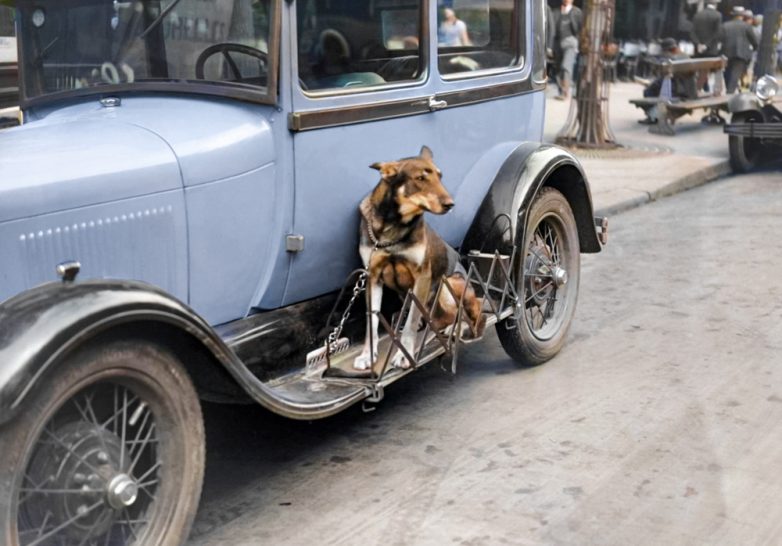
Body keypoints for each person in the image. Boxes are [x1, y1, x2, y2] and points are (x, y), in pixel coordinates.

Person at [639, 38, 697, 125]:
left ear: (670, 50)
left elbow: (666, 78)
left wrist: (650, 84)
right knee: (656, 88)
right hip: (691, 92)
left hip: (681, 93)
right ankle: (655, 115)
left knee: (648, 91)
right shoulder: (686, 56)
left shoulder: (673, 60)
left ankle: (653, 117)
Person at [550, 0, 583, 100]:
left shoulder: (577, 12)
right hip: (558, 43)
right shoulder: (555, 12)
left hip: (571, 42)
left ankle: (565, 92)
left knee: (566, 66)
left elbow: (580, 28)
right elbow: (552, 29)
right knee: (558, 68)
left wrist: (579, 44)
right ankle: (561, 91)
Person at [722, 6, 759, 93]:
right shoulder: (746, 26)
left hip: (727, 53)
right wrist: (753, 49)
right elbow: (754, 41)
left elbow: (720, 39)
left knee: (727, 73)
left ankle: (729, 89)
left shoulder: (725, 25)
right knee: (736, 74)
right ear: (742, 16)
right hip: (741, 54)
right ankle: (730, 93)